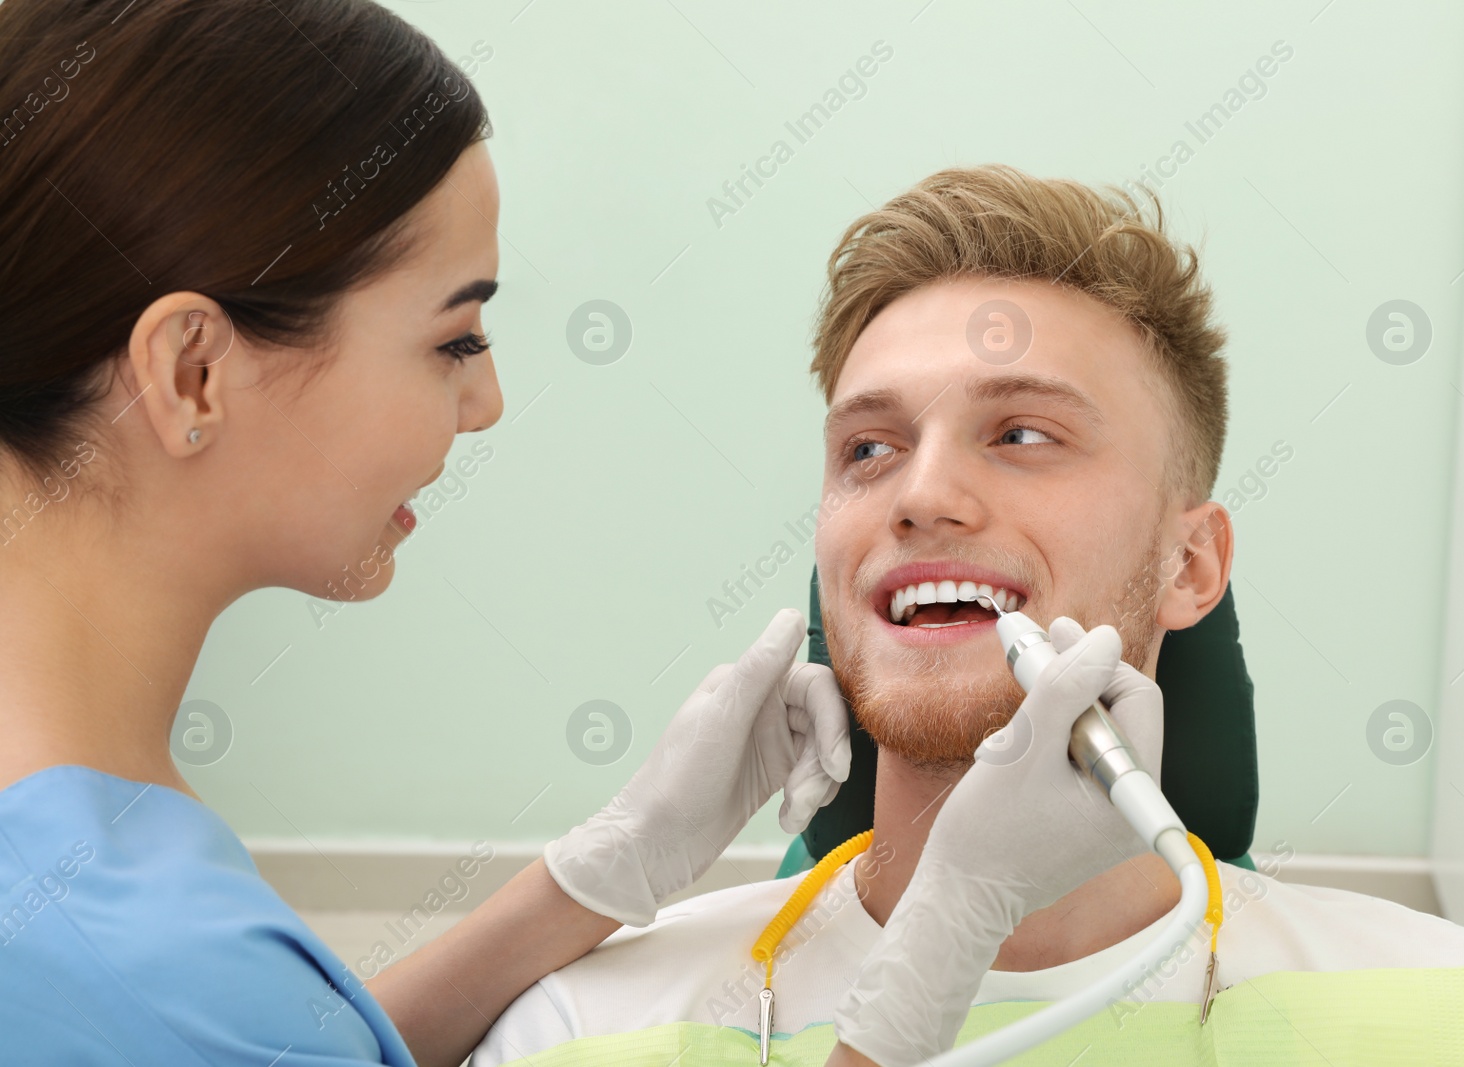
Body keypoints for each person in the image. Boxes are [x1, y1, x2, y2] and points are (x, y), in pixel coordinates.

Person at [472, 166, 1464, 1067]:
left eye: (1020, 433)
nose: (918, 493)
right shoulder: (578, 1031)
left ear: (1190, 564)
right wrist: (591, 882)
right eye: (868, 448)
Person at [0, 3, 860, 1065]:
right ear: (192, 373)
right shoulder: (131, 954)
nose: (487, 399)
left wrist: (586, 881)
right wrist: (920, 984)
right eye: (454, 338)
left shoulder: (96, 908)